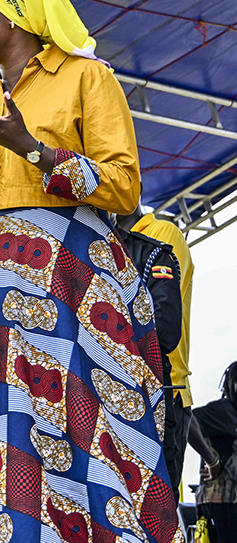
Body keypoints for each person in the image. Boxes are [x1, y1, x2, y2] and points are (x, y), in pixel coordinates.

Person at [0, 0, 181, 543]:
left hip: (73, 283)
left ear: (16, 12)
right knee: (7, 435)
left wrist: (35, 149)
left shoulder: (85, 76)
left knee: (88, 433)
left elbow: (125, 188)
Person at [119, 202, 196, 497]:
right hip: (122, 389)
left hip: (165, 388)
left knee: (157, 501)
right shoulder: (101, 238)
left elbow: (162, 324)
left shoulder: (162, 234)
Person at [188, 362, 237, 543]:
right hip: (222, 504)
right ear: (232, 384)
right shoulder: (224, 411)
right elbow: (189, 419)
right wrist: (212, 461)